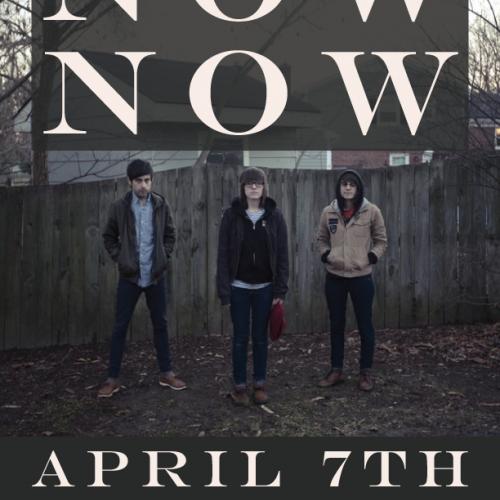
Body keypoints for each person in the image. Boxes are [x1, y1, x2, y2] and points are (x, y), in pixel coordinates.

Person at [97, 159, 186, 398]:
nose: (144, 185)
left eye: (147, 180)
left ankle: (167, 373)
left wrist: (163, 257)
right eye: (139, 181)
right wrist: (121, 258)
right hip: (130, 277)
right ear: (130, 182)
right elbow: (108, 236)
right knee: (120, 327)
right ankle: (112, 379)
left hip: (155, 275)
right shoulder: (120, 207)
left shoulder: (160, 204)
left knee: (161, 324)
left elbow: (171, 234)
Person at [217, 167, 289, 406]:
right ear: (243, 188)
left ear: (264, 186)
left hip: (265, 289)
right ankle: (239, 387)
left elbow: (282, 256)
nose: (254, 188)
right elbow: (223, 254)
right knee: (239, 338)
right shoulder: (231, 216)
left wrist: (280, 290)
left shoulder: (275, 216)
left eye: (258, 184)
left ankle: (259, 384)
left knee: (259, 337)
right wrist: (224, 289)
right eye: (249, 184)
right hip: (238, 287)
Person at [317, 169, 387, 392]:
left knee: (365, 325)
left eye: (352, 185)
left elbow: (381, 240)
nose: (347, 188)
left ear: (358, 189)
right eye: (344, 184)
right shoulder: (329, 212)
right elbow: (321, 239)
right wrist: (326, 254)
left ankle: (365, 372)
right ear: (339, 188)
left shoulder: (371, 211)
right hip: (335, 277)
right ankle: (336, 370)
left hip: (361, 278)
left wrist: (371, 256)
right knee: (336, 325)